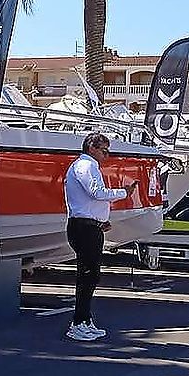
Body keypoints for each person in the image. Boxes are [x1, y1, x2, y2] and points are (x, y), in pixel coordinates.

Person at [63, 132, 138, 341]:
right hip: (84, 227)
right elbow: (97, 192)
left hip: (89, 226)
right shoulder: (86, 166)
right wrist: (123, 193)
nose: (107, 154)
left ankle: (85, 319)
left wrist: (100, 219)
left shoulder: (86, 166)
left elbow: (90, 200)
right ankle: (78, 323)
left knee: (91, 275)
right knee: (87, 275)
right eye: (104, 150)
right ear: (92, 148)